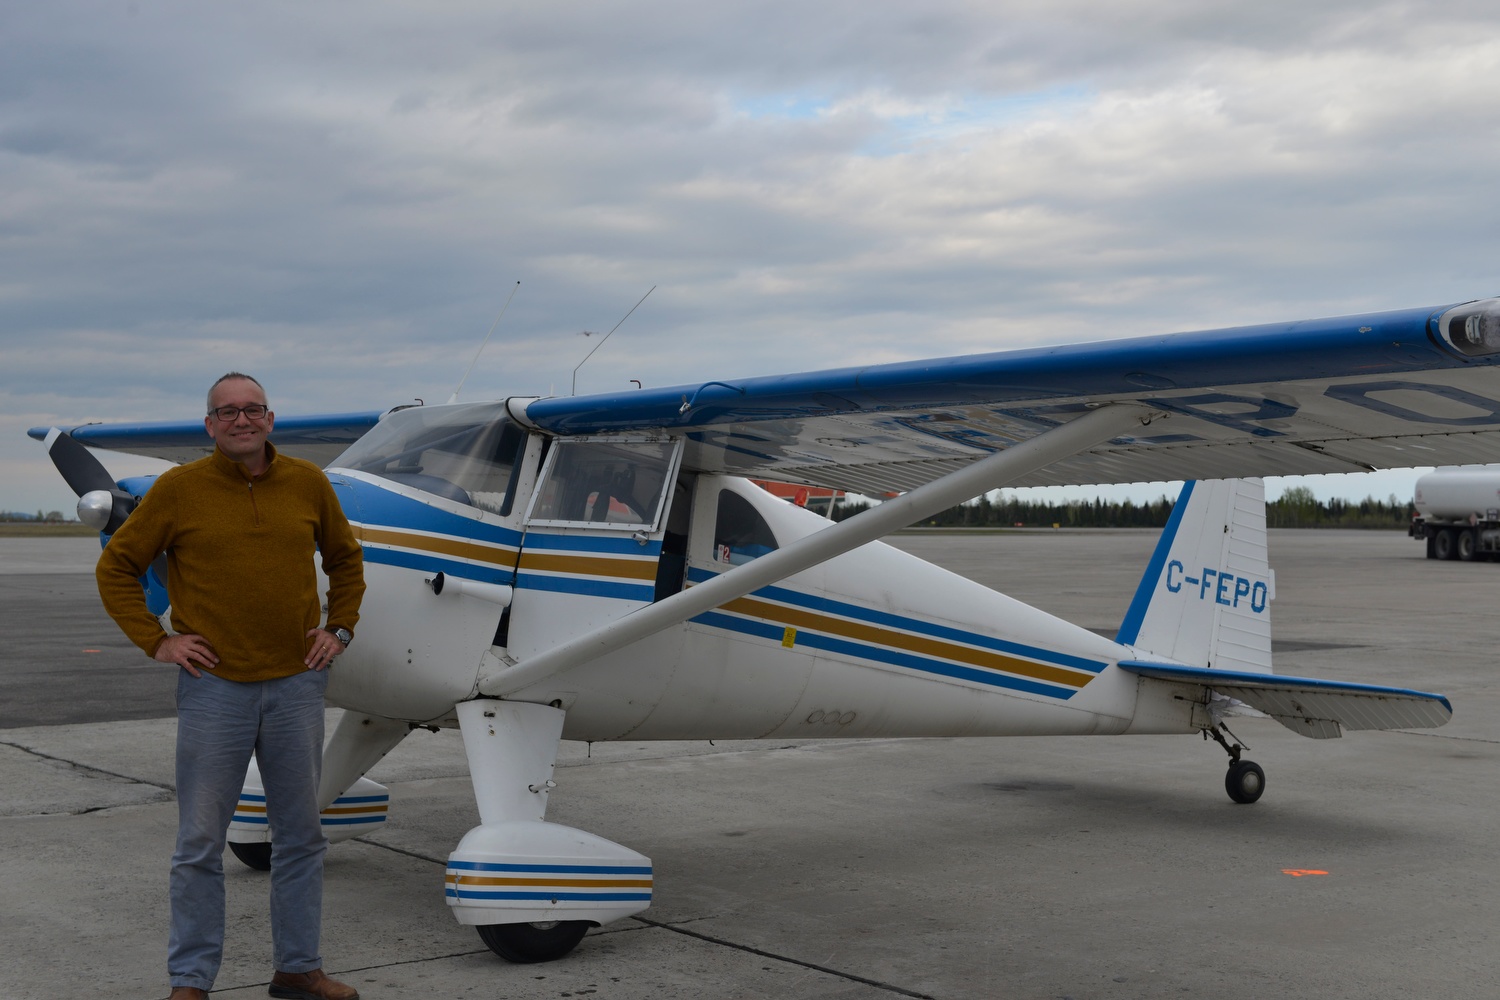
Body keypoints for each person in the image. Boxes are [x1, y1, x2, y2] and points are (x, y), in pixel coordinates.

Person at [96, 373, 366, 1000]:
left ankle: (298, 969)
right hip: (214, 688)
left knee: (301, 838)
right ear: (210, 425)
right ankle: (191, 981)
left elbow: (345, 559)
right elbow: (117, 566)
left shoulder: (308, 482)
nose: (241, 420)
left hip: (297, 685)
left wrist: (340, 629)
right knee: (198, 843)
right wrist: (157, 640)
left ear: (270, 419)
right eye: (227, 412)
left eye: (252, 409)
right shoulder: (178, 489)